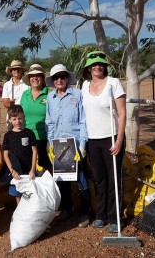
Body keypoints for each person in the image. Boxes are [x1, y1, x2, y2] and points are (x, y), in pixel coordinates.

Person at [81, 50, 126, 233]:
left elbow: (122, 113)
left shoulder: (113, 83)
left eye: (101, 64)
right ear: (89, 68)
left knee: (113, 179)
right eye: (94, 65)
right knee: (99, 179)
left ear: (104, 67)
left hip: (111, 137)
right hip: (93, 139)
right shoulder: (84, 86)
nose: (97, 67)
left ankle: (115, 217)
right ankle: (101, 215)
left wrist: (120, 140)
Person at [45, 64, 91, 228]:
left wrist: (83, 144)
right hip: (58, 144)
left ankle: (86, 212)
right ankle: (67, 209)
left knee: (80, 178)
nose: (59, 80)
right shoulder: (51, 98)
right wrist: (50, 143)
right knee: (62, 179)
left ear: (67, 78)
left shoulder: (77, 95)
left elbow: (83, 120)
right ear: (53, 81)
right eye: (56, 78)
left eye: (62, 77)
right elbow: (49, 122)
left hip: (75, 143)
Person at [2, 105, 37, 204]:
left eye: (19, 118)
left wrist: (33, 169)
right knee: (18, 195)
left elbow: (34, 151)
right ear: (9, 120)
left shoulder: (29, 133)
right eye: (14, 119)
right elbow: (5, 155)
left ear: (23, 118)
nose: (17, 121)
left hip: (29, 170)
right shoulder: (8, 136)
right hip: (16, 171)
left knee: (30, 194)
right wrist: (12, 171)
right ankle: (20, 215)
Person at [20, 64, 52, 173]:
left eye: (38, 75)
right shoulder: (25, 94)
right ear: (29, 79)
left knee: (45, 166)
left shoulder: (50, 95)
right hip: (26, 136)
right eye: (32, 76)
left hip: (43, 138)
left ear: (42, 78)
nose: (35, 78)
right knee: (28, 165)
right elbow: (21, 115)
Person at [2, 60, 29, 129]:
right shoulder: (7, 85)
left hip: (26, 117)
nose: (16, 71)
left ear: (22, 70)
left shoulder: (28, 84)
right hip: (13, 118)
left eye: (18, 69)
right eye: (14, 69)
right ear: (11, 71)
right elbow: (5, 103)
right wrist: (10, 103)